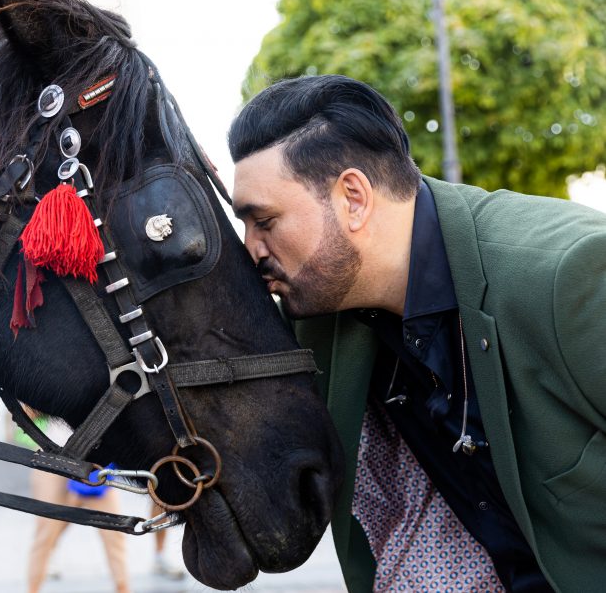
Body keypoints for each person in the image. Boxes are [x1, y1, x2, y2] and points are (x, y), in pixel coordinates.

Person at [229, 74, 605, 593]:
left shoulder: (570, 275)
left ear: (353, 198)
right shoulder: (316, 317)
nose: (252, 249)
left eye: (264, 221)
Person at [15, 411, 131, 593]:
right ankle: (33, 589)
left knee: (115, 531)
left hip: (93, 460)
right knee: (46, 533)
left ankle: (123, 589)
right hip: (53, 459)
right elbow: (28, 411)